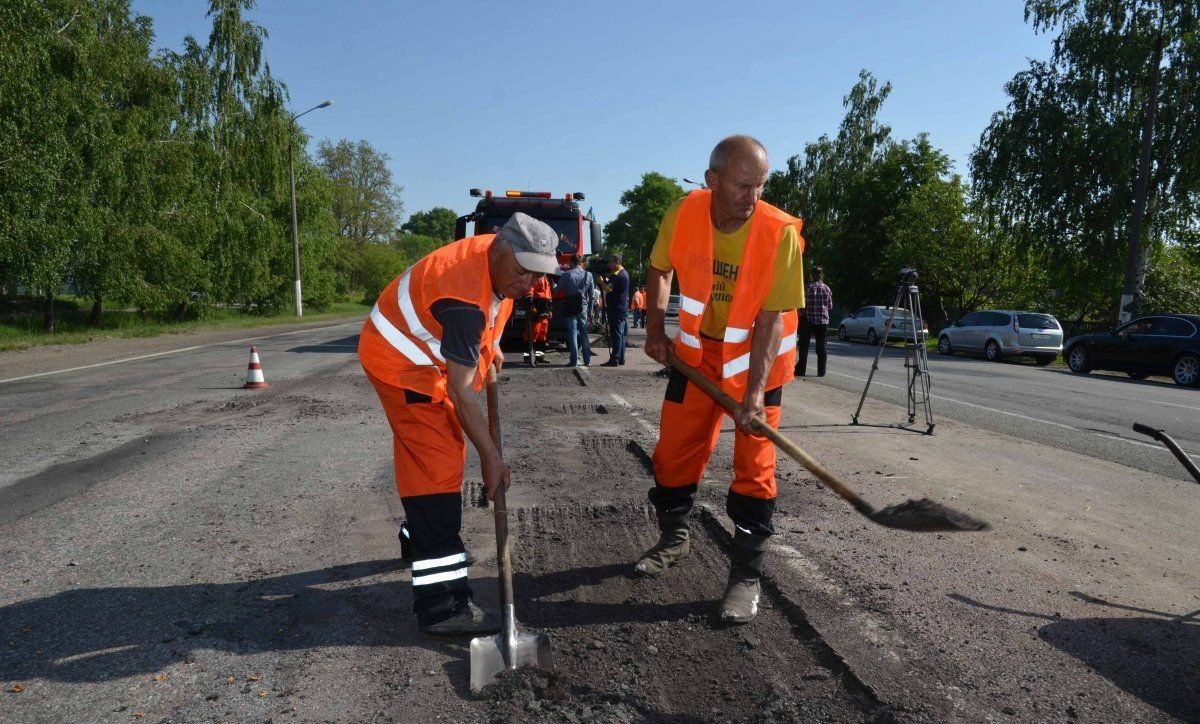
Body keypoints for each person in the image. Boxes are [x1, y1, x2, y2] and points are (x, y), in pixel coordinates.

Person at [357, 212, 560, 635]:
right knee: (436, 468)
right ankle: (442, 606)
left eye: (536, 277)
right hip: (402, 364)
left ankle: (418, 535)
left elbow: (497, 303)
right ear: (502, 250)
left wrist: (494, 345)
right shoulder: (462, 298)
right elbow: (463, 392)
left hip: (426, 355)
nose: (527, 286)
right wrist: (491, 457)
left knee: (444, 453)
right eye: (522, 273)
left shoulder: (496, 256)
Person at [639, 136, 805, 624]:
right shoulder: (684, 212)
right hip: (695, 358)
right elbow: (658, 269)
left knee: (755, 469)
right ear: (711, 180)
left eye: (760, 186)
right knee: (672, 456)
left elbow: (773, 317)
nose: (752, 197)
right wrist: (653, 330)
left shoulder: (780, 234)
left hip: (756, 365)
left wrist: (753, 395)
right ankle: (673, 539)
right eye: (741, 185)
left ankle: (745, 578)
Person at [552, 254, 594, 367]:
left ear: (571, 262)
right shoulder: (588, 275)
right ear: (580, 262)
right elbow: (592, 295)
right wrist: (590, 310)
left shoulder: (567, 275)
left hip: (571, 306)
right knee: (584, 333)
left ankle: (574, 360)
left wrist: (552, 284)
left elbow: (557, 290)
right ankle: (587, 360)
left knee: (573, 332)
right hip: (583, 307)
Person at [795, 266, 832, 377]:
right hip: (823, 322)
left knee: (804, 346)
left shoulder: (808, 288)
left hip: (809, 320)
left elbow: (802, 305)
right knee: (822, 347)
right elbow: (829, 306)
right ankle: (821, 371)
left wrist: (800, 312)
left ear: (812, 275)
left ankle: (801, 370)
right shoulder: (827, 289)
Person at [599, 253, 630, 366]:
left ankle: (615, 359)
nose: (609, 264)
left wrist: (601, 282)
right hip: (621, 308)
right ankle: (620, 358)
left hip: (616, 309)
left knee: (616, 335)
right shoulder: (624, 272)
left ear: (617, 263)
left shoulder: (617, 275)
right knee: (621, 335)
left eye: (610, 262)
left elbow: (608, 289)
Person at [522, 275, 553, 362]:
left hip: (545, 308)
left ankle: (539, 356)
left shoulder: (547, 279)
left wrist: (550, 310)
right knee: (532, 333)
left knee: (542, 334)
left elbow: (549, 295)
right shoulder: (534, 277)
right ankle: (528, 357)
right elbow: (529, 292)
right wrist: (531, 306)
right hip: (536, 307)